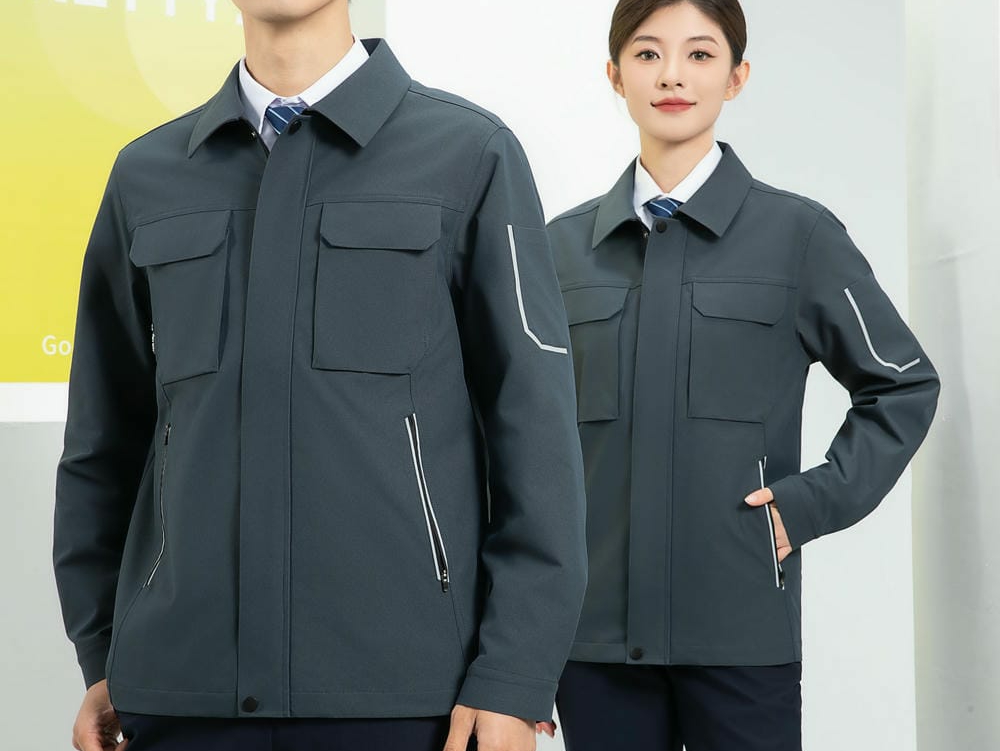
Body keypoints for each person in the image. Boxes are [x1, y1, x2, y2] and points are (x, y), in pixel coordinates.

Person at [53, 2, 588, 750]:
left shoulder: (470, 154)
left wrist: (515, 673)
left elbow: (536, 437)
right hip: (180, 692)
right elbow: (103, 442)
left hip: (408, 697)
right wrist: (104, 650)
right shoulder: (147, 175)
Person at [541, 1, 940, 749]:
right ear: (615, 76)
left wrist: (806, 505)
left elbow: (903, 383)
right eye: (648, 54)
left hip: (743, 637)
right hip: (592, 644)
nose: (672, 76)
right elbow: (516, 434)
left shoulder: (799, 236)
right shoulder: (558, 251)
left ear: (736, 77)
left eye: (699, 54)